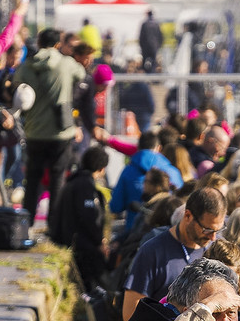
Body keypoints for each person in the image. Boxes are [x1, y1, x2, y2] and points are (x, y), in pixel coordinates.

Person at [118, 184, 227, 321]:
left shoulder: (218, 250)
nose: (213, 237)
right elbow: (131, 313)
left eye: (218, 230)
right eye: (207, 230)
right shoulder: (152, 251)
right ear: (188, 216)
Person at [19, 27, 84, 222]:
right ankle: (54, 224)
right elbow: (81, 74)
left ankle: (27, 221)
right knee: (58, 178)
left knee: (32, 178)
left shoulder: (27, 66)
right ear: (58, 44)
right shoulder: (66, 63)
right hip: (61, 132)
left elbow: (16, 84)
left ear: (39, 43)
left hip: (34, 130)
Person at [54, 142, 112, 291]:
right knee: (97, 285)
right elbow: (89, 217)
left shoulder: (73, 182)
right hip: (82, 247)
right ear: (101, 168)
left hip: (70, 242)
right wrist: (99, 241)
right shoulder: (85, 186)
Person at [111, 130, 180, 230]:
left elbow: (115, 206)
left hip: (135, 231)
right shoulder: (173, 171)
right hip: (168, 231)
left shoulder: (128, 171)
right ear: (159, 148)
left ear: (138, 147)